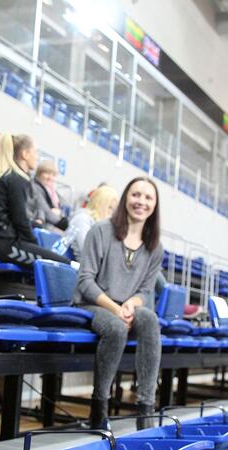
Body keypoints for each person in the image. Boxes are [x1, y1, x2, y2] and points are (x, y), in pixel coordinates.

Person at [74, 176, 163, 430]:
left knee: (149, 318)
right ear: (126, 198)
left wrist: (131, 305)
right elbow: (85, 282)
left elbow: (145, 290)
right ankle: (99, 407)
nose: (141, 202)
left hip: (125, 308)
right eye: (136, 195)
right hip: (92, 304)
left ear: (154, 205)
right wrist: (116, 309)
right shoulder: (100, 231)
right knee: (114, 327)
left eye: (148, 198)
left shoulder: (155, 246)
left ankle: (145, 409)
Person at [0, 133, 72, 267]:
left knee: (56, 262)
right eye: (35, 152)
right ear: (25, 154)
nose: (37, 157)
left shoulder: (12, 176)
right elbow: (20, 220)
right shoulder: (16, 180)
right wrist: (34, 245)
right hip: (0, 244)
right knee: (61, 265)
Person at [65, 185, 118, 261]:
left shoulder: (104, 225)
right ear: (99, 204)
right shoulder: (82, 219)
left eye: (114, 209)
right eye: (109, 207)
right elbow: (87, 251)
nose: (112, 213)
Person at [30, 160, 68, 232]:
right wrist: (60, 222)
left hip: (51, 223)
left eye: (53, 174)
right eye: (47, 173)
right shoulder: (36, 187)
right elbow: (45, 210)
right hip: (44, 225)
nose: (50, 177)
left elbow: (64, 205)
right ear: (39, 173)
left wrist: (60, 213)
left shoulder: (51, 190)